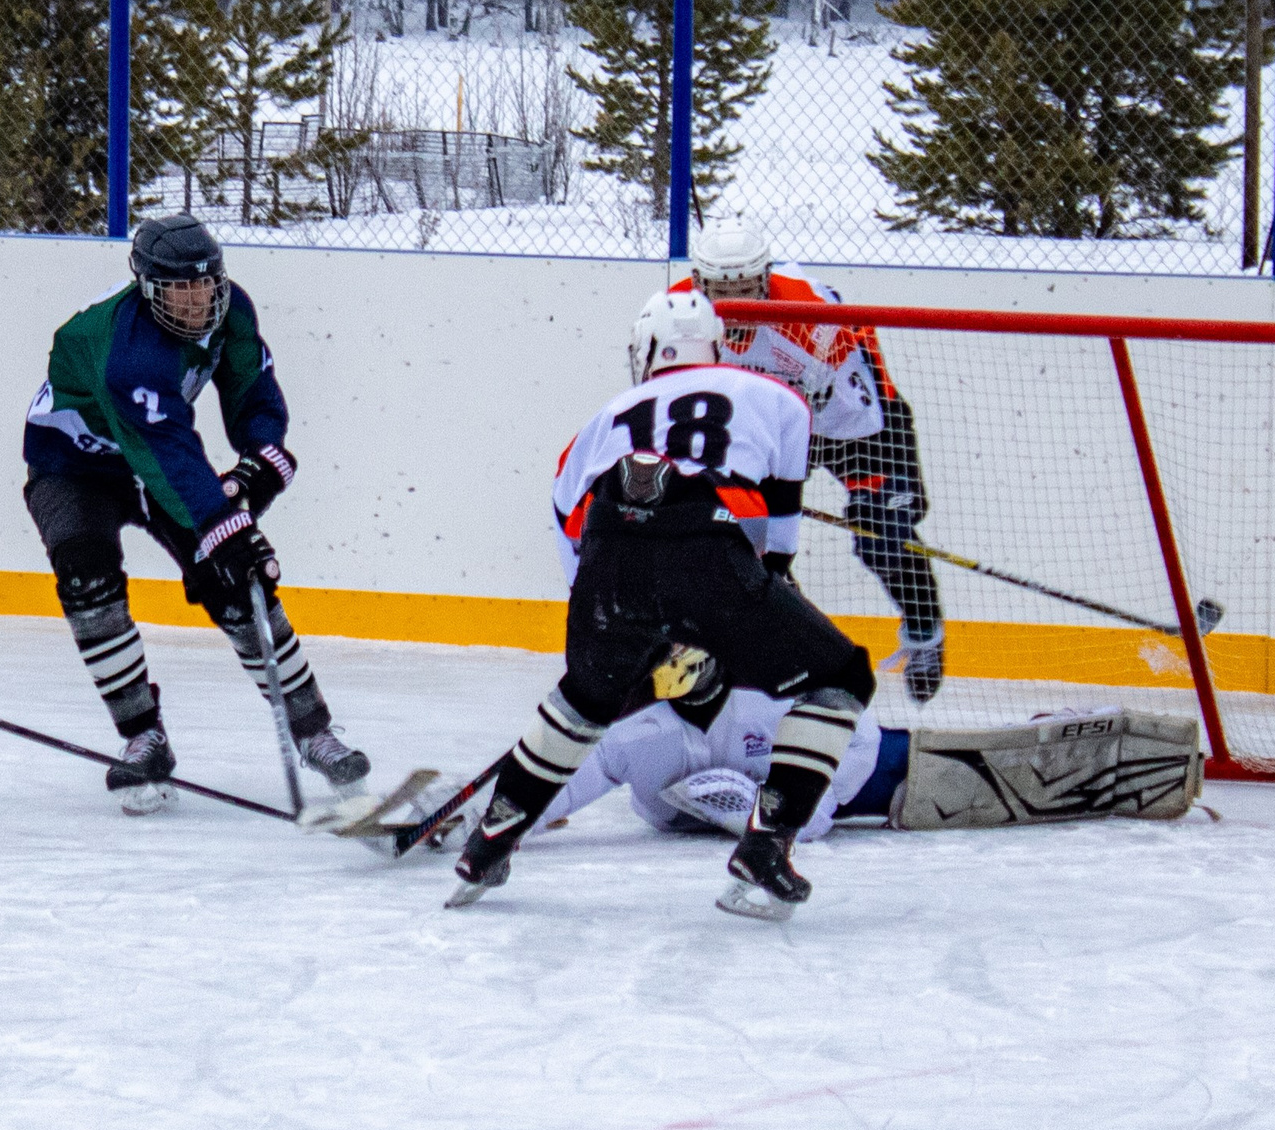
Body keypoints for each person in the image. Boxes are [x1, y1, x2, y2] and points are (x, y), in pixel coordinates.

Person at [449, 289, 879, 921]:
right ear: (717, 346)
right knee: (842, 677)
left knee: (582, 702)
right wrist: (745, 601)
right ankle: (766, 846)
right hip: (705, 542)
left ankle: (487, 844)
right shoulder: (778, 398)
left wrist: (613, 636)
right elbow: (776, 546)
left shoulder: (600, 421)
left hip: (609, 557)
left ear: (649, 351)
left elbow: (571, 528)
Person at [23, 213, 369, 814]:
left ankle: (313, 730)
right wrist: (225, 526)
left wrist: (261, 457)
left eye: (205, 284)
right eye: (179, 290)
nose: (196, 301)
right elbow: (164, 456)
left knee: (237, 582)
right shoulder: (126, 353)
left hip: (159, 453)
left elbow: (251, 391)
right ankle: (142, 738)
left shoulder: (233, 311)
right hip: (73, 463)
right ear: (149, 288)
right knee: (87, 576)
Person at [673, 220, 948, 703]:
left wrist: (877, 501)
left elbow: (853, 413)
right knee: (748, 549)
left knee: (880, 531)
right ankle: (788, 644)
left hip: (853, 425)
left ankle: (926, 633)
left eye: (745, 292)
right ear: (699, 283)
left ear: (765, 279)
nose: (734, 306)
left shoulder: (812, 321)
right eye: (721, 292)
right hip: (770, 426)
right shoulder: (680, 311)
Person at [540, 645, 1204, 841]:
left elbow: (819, 796)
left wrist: (762, 809)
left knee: (990, 778)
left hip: (876, 768)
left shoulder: (759, 698)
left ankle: (1052, 732)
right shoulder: (640, 739)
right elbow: (563, 783)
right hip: (847, 777)